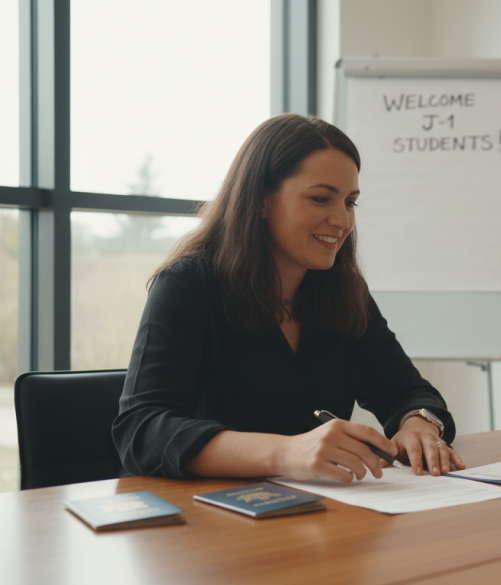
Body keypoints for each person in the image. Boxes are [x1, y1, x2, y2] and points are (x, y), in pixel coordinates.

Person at [113, 114, 465, 483]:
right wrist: (285, 452)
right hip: (199, 518)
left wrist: (419, 424)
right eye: (321, 198)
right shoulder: (188, 285)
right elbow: (141, 429)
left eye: (350, 202)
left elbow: (408, 392)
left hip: (309, 512)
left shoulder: (344, 292)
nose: (342, 221)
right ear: (262, 200)